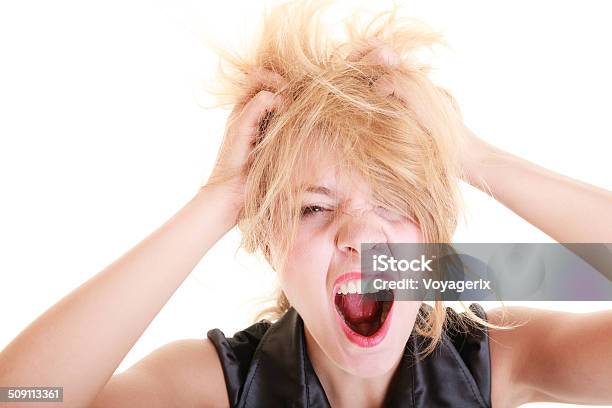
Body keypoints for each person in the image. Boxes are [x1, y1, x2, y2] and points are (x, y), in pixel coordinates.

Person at [1, 1, 611, 407]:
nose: (360, 235)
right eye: (314, 208)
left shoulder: (496, 359)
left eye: (395, 202)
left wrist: (477, 158)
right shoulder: (215, 384)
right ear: (268, 242)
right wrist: (218, 203)